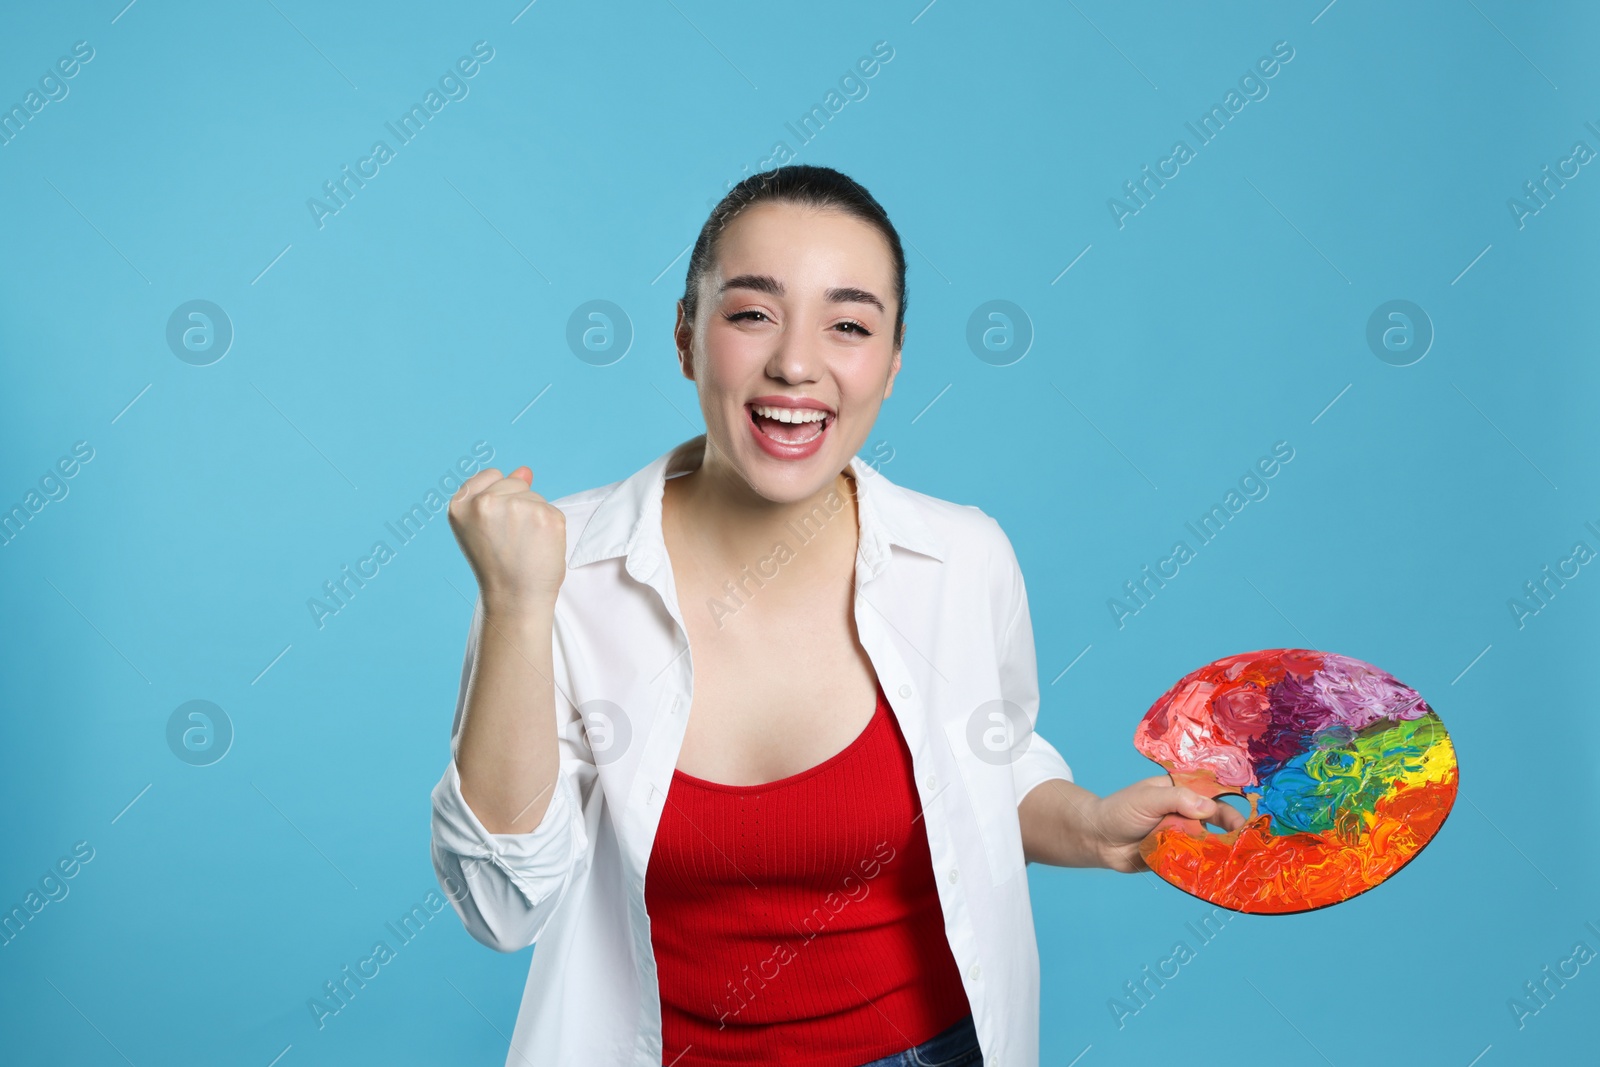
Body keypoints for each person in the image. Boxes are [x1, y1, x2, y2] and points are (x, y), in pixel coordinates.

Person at [430, 164, 1243, 1067]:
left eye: (848, 325)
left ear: (891, 366)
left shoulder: (962, 559)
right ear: (686, 338)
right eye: (752, 313)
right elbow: (503, 905)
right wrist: (514, 602)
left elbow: (988, 766)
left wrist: (1089, 823)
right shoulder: (557, 569)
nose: (797, 363)